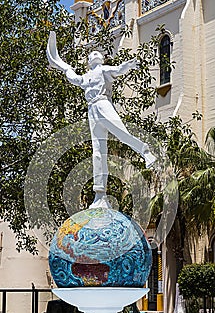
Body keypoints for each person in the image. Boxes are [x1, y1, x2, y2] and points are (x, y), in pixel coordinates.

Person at [47, 31, 156, 208]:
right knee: (98, 152)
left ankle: (145, 151)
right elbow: (73, 78)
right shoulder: (86, 76)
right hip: (92, 110)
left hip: (103, 104)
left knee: (121, 133)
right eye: (92, 55)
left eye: (98, 54)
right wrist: (64, 66)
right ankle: (99, 193)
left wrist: (128, 65)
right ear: (89, 61)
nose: (95, 55)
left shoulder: (104, 70)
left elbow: (118, 70)